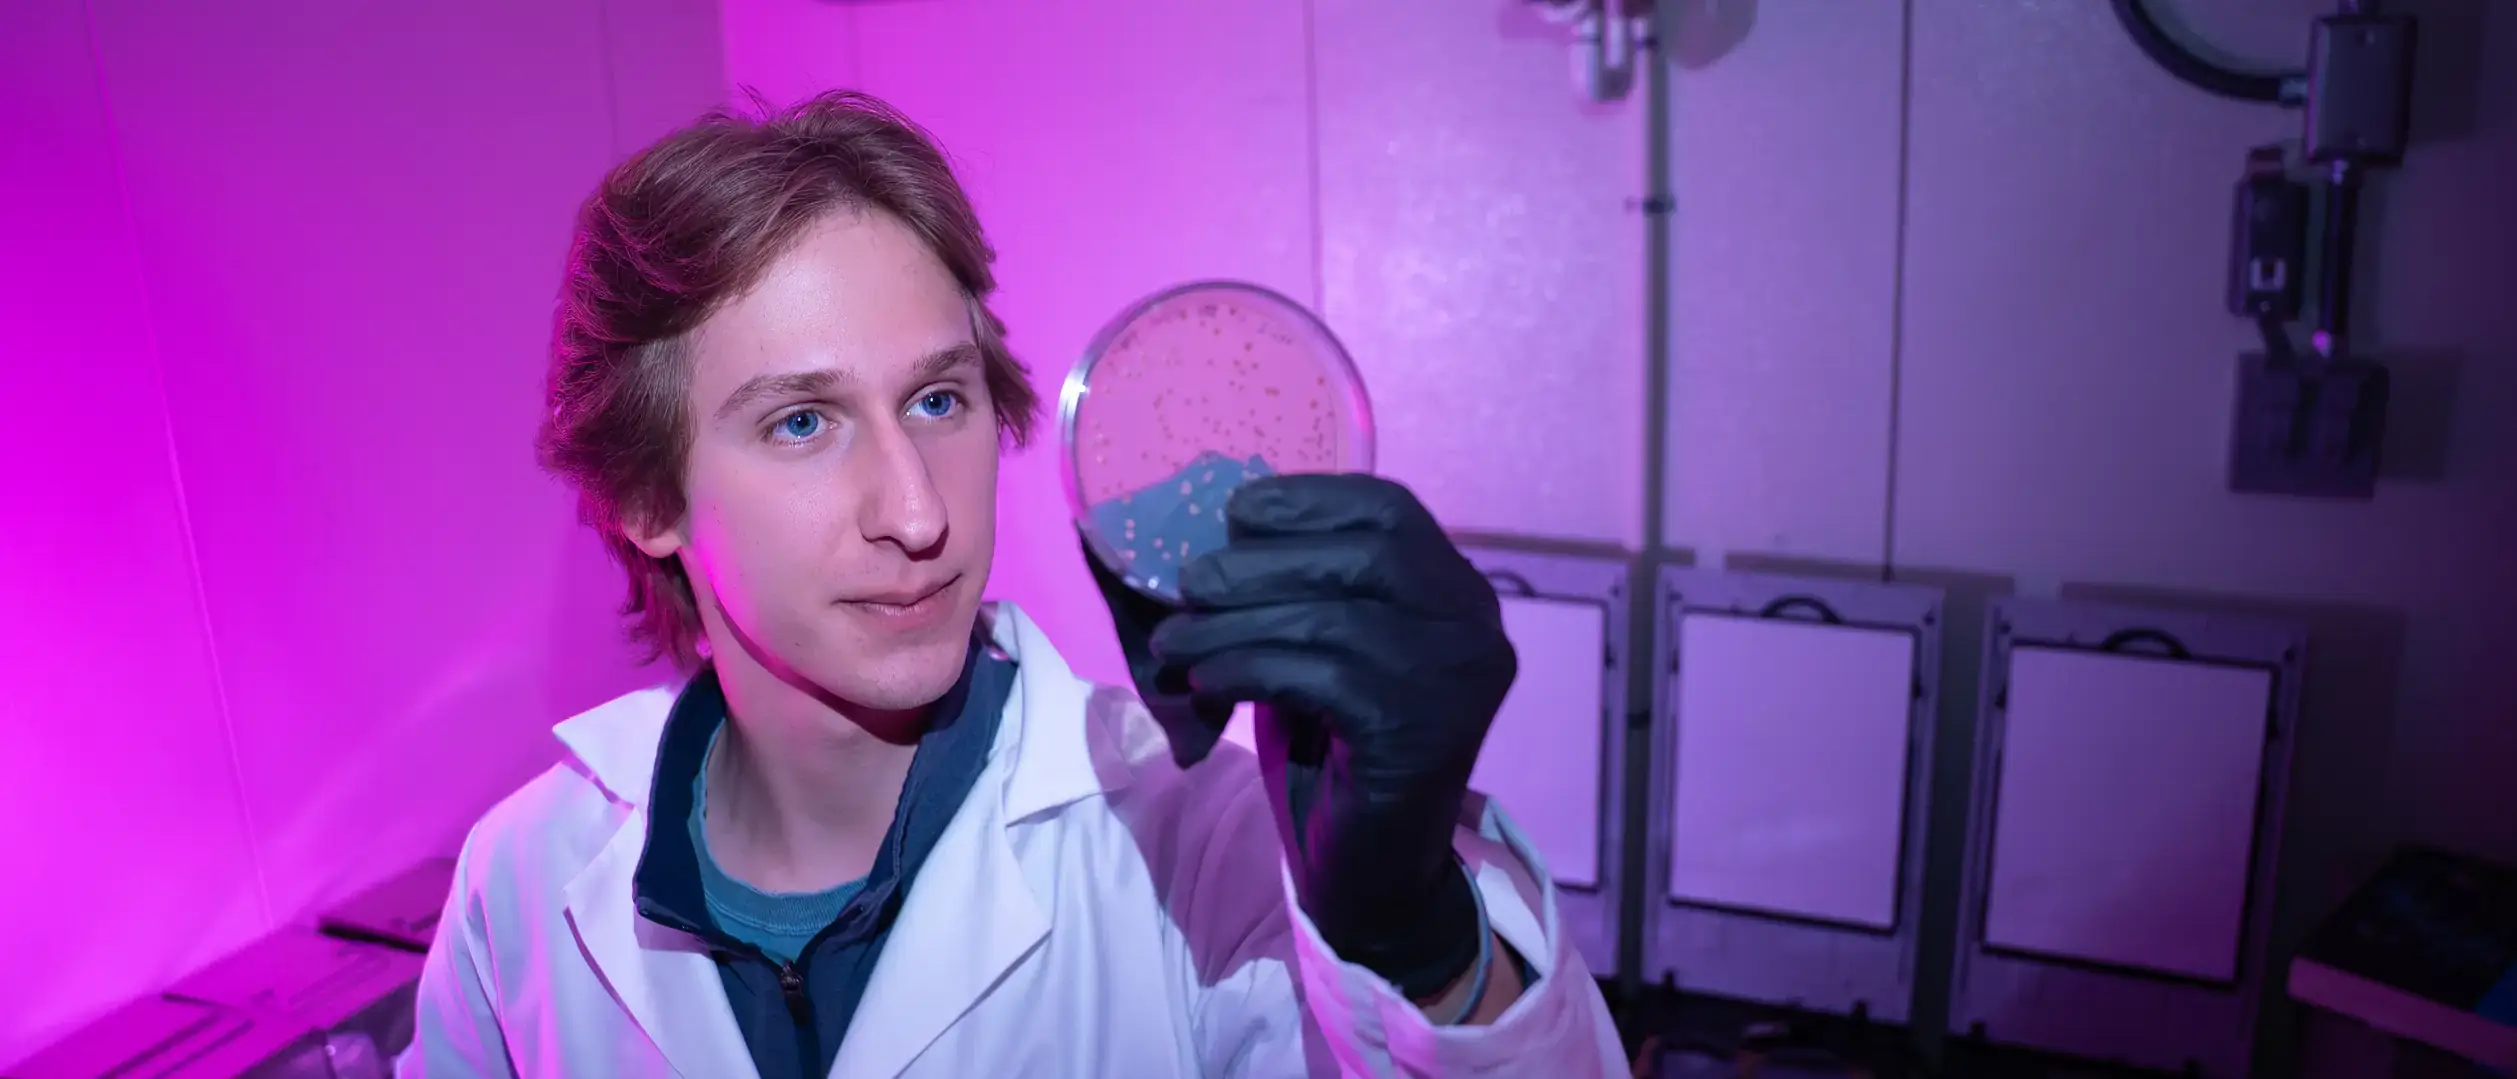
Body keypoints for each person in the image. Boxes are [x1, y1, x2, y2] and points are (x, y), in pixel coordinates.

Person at [398, 89, 1624, 1078]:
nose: (921, 513)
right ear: (643, 499)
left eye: (940, 400)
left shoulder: (1204, 848)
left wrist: (1416, 934)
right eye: (802, 424)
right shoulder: (524, 883)